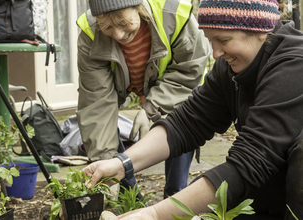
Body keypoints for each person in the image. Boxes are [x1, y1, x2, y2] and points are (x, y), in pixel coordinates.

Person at [82, 0, 303, 219]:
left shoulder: (294, 66)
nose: (215, 53)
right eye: (210, 40)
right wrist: (122, 163)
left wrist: (155, 214)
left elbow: (251, 160)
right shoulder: (231, 67)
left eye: (223, 40)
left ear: (260, 30)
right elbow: (187, 123)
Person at [76, 0, 210, 198]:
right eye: (107, 27)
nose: (119, 35)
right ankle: (130, 198)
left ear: (139, 8)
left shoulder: (175, 16)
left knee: (181, 117)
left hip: (174, 87)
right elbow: (97, 103)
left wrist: (151, 107)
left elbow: (189, 72)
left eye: (123, 23)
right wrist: (104, 164)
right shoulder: (90, 33)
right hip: (129, 82)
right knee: (103, 131)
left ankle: (176, 196)